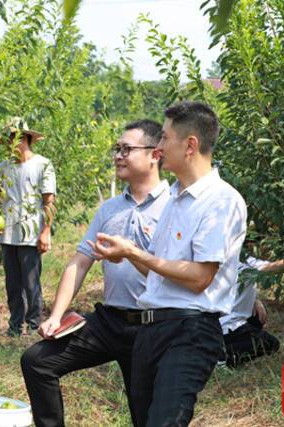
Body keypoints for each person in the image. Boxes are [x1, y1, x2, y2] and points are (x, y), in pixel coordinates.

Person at [89, 101, 247, 426]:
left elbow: (200, 277)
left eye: (164, 138)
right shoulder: (175, 199)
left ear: (190, 145)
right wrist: (128, 256)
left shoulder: (221, 201)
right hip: (152, 330)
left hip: (189, 331)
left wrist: (134, 253)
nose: (158, 147)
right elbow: (160, 274)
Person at [20, 120, 169, 427]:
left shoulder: (174, 207)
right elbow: (80, 261)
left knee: (147, 416)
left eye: (127, 149)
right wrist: (56, 315)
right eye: (117, 149)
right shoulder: (110, 209)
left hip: (153, 327)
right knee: (37, 361)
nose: (118, 155)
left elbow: (168, 276)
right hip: (109, 322)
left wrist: (129, 251)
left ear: (156, 154)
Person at [0, 117, 56, 336]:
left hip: (30, 233)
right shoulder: (4, 167)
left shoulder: (43, 165)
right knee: (13, 284)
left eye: (13, 138)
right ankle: (15, 326)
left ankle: (34, 326)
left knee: (31, 282)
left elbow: (49, 202)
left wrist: (45, 232)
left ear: (24, 139)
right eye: (8, 139)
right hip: (7, 233)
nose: (9, 143)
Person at [221, 255, 284, 368]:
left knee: (257, 317)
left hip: (220, 321)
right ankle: (222, 358)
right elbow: (280, 266)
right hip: (226, 325)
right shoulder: (236, 259)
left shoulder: (239, 257)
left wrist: (254, 300)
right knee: (270, 343)